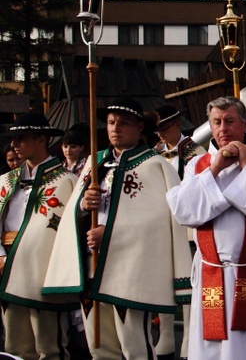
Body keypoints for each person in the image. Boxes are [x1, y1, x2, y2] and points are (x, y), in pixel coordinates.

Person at [43, 97, 193, 359]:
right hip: (92, 268)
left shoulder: (155, 166)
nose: (115, 129)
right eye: (111, 123)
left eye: (123, 123)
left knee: (134, 346)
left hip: (130, 271)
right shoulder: (94, 162)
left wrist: (110, 233)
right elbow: (72, 216)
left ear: (139, 127)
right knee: (99, 346)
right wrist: (82, 206)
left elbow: (160, 221)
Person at [167, 96, 246, 359]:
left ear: (244, 124)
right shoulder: (196, 165)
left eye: (230, 121)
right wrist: (215, 169)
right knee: (213, 347)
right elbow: (184, 212)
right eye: (216, 122)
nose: (223, 128)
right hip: (212, 270)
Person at [0, 113, 78, 359]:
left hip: (43, 272)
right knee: (15, 345)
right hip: (8, 269)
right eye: (13, 139)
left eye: (21, 138)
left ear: (41, 140)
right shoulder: (6, 180)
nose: (14, 144)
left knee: (49, 346)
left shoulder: (67, 181)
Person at [151, 104, 206, 360]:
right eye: (157, 130)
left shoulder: (196, 152)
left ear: (176, 126)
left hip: (185, 227)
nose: (160, 134)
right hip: (161, 226)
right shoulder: (154, 154)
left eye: (164, 129)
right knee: (162, 280)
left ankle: (187, 341)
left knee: (188, 283)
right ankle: (165, 338)